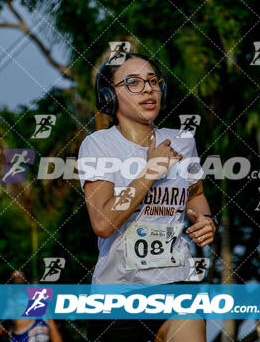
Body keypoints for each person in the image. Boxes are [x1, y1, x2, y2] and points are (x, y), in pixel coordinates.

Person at [78, 52, 216, 341]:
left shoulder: (182, 141)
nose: (148, 89)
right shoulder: (99, 145)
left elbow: (196, 195)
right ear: (109, 96)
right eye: (133, 83)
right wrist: (150, 170)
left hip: (176, 282)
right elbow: (103, 223)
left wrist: (205, 219)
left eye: (153, 81)